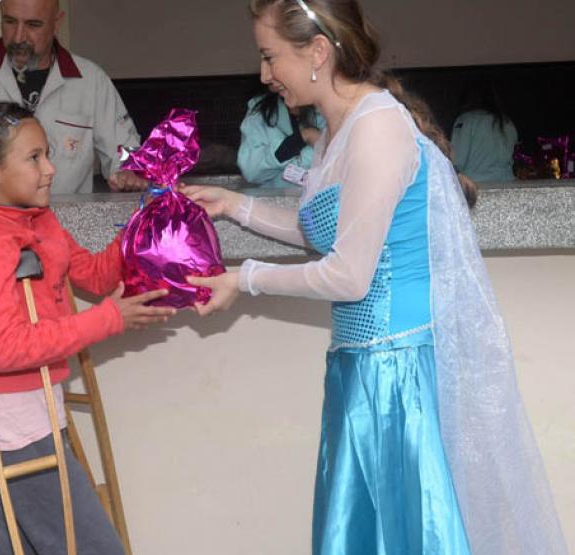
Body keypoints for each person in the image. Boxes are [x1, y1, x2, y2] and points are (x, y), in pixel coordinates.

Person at [182, 1, 568, 554]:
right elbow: (328, 231)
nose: (265, 74)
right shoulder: (338, 128)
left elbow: (348, 276)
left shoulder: (377, 126)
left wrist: (244, 278)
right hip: (360, 370)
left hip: (397, 375)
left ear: (317, 52)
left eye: (270, 57)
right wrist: (236, 206)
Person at [0, 102, 174, 554]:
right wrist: (108, 319)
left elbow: (97, 277)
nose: (50, 168)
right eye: (34, 158)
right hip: (12, 425)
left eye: (47, 154)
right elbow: (6, 349)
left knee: (19, 545)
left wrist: (142, 222)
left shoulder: (39, 220)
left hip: (38, 409)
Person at [0, 0, 147, 196]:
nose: (18, 37)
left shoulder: (91, 81)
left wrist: (129, 171)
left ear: (57, 22)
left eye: (33, 24)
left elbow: (126, 149)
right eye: (10, 21)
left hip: (66, 226)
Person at [238, 89, 326, 187]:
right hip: (273, 195)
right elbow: (251, 171)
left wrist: (278, 171)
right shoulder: (261, 107)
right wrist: (301, 137)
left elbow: (333, 163)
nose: (265, 79)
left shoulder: (328, 106)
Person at [451, 79, 517, 183]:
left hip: (476, 185)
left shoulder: (466, 120)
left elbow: (457, 160)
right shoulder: (507, 122)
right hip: (507, 183)